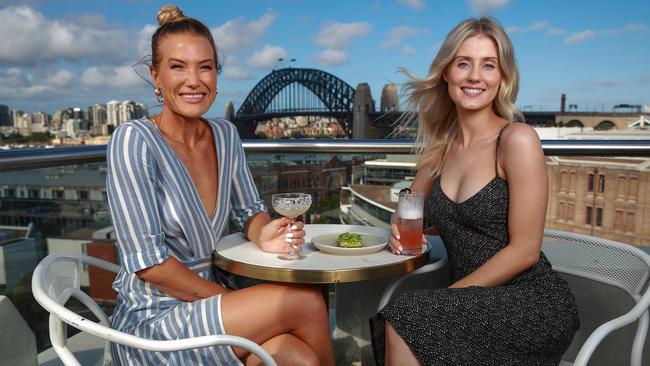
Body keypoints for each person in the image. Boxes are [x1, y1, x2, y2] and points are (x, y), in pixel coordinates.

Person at [106, 5, 334, 365]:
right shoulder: (134, 140)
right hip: (156, 322)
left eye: (205, 67)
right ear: (156, 77)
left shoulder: (226, 135)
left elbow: (249, 212)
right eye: (177, 66)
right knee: (305, 300)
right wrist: (229, 302)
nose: (193, 80)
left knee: (298, 356)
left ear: (216, 74)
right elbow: (150, 265)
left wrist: (263, 233)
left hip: (213, 308)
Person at [370, 17, 579, 366]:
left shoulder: (516, 140)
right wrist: (402, 233)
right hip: (470, 304)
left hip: (531, 302)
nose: (474, 76)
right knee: (407, 316)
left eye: (488, 65)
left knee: (405, 316)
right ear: (447, 73)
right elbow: (410, 218)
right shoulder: (440, 149)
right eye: (463, 63)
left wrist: (447, 299)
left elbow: (526, 251)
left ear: (503, 78)